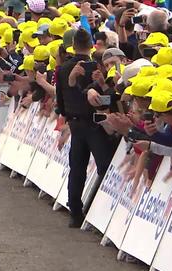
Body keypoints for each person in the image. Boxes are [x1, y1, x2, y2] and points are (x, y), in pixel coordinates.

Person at [56, 28, 117, 228]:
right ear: (91, 45)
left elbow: (61, 103)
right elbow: (106, 100)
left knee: (77, 168)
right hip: (95, 123)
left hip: (75, 123)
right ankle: (101, 211)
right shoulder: (96, 68)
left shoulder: (63, 69)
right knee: (105, 166)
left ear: (73, 46)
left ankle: (75, 211)